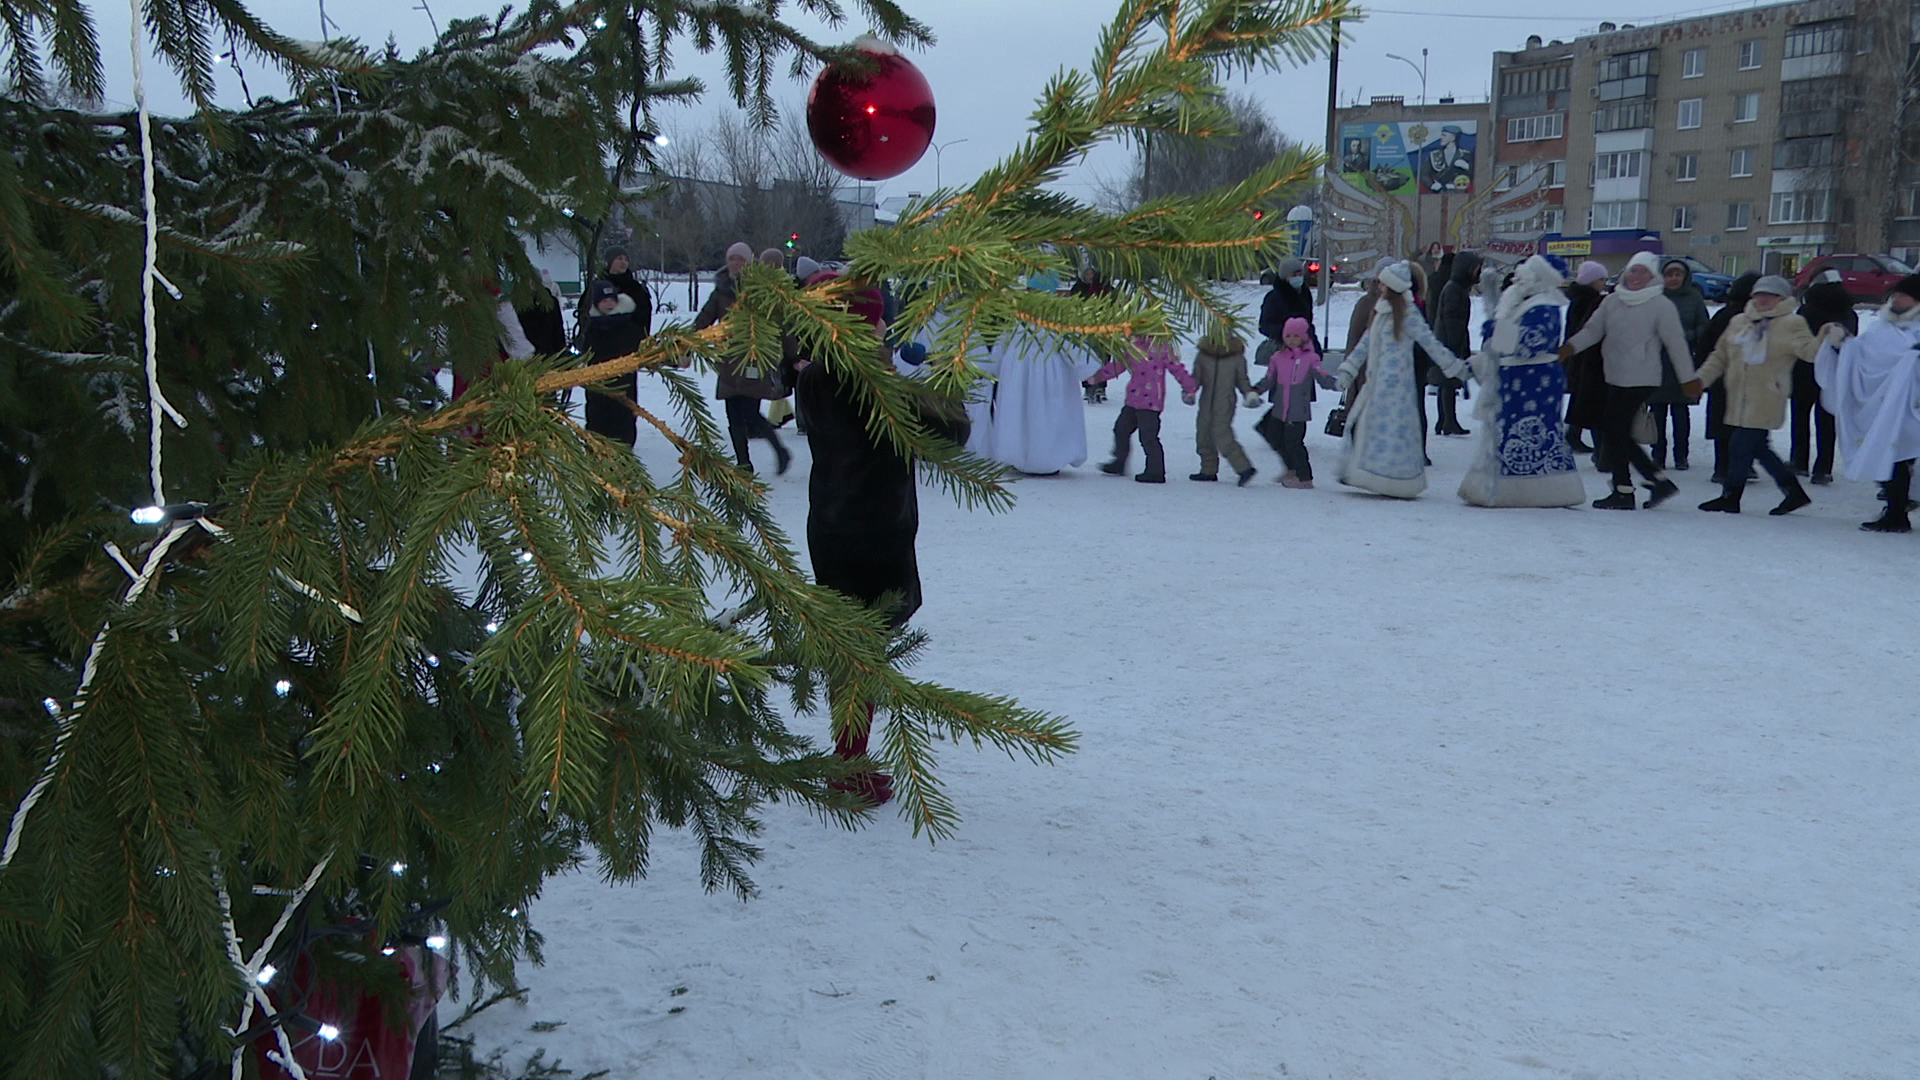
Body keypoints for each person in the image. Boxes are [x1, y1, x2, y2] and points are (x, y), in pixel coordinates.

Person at [789, 338, 972, 804]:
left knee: (848, 647)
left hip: (829, 526)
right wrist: (944, 377)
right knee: (864, 653)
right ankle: (849, 762)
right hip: (875, 532)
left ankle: (848, 756)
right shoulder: (885, 389)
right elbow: (952, 435)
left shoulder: (812, 379)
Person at [1560, 251, 1697, 510]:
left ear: (1652, 276)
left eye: (1643, 272)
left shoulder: (1660, 305)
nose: (1636, 277)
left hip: (1643, 376)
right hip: (1614, 374)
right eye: (1633, 271)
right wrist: (1568, 349)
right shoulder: (1612, 301)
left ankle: (1627, 490)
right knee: (1615, 431)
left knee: (1613, 430)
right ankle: (1651, 482)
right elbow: (1592, 331)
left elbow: (1676, 343)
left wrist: (1688, 379)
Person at [1333, 262, 1469, 498]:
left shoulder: (1408, 313)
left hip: (1399, 387)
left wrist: (1454, 366)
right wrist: (1349, 369)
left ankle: (1396, 479)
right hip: (1376, 383)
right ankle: (1368, 474)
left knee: (1394, 432)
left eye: (1384, 282)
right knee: (1368, 427)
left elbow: (1430, 342)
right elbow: (1365, 344)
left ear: (1393, 286)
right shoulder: (1380, 311)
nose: (1379, 285)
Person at [1458, 254, 1585, 507]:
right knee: (1505, 433)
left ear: (1539, 277)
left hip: (1534, 382)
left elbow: (1533, 342)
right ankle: (1500, 485)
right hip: (1516, 381)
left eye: (1526, 271)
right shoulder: (1519, 301)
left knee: (1532, 432)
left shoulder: (1545, 306)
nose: (1519, 275)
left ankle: (1534, 488)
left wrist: (1498, 333)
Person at [1690, 275, 1818, 515]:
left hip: (1767, 396)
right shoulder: (1740, 321)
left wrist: (1825, 339)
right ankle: (1794, 493)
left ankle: (1731, 496)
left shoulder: (1792, 323)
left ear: (1782, 298)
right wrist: (1700, 380)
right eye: (1758, 294)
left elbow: (1809, 352)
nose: (1762, 299)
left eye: (1770, 295)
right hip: (1738, 396)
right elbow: (1720, 356)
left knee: (1740, 445)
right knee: (1759, 448)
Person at [1815, 273, 1920, 532]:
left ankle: (1897, 510)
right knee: (1892, 457)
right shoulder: (1881, 328)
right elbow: (1862, 355)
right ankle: (1896, 511)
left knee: (1898, 458)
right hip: (1887, 408)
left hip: (1913, 408)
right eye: (1894, 294)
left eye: (1903, 295)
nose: (1896, 298)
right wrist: (1841, 345)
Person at [699, 241, 792, 474]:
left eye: (740, 259)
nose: (735, 263)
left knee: (750, 413)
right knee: (733, 414)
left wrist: (793, 355)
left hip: (754, 356)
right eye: (732, 259)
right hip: (729, 359)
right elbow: (705, 317)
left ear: (749, 263)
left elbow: (779, 321)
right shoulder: (721, 291)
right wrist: (687, 341)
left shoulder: (759, 290)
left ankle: (779, 450)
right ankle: (743, 463)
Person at [1087, 337, 1198, 483]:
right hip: (1133, 399)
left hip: (1151, 403)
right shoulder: (1133, 346)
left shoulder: (1162, 347)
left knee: (1148, 437)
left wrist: (1189, 387)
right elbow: (1118, 365)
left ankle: (1156, 471)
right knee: (1121, 429)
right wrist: (1098, 377)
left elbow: (1177, 368)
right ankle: (1119, 462)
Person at [1253, 316, 1338, 488]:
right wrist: (1255, 390)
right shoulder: (1277, 357)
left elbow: (1322, 377)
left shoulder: (1310, 359)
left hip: (1297, 410)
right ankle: (1291, 469)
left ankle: (1304, 477)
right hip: (1279, 407)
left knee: (1294, 443)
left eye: (1296, 336)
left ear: (1304, 337)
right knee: (1269, 431)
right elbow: (1269, 379)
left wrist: (1337, 383)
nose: (1292, 340)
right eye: (1288, 335)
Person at [1791, 268, 1856, 484]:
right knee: (1826, 421)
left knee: (1800, 418)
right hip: (1833, 374)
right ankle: (1824, 468)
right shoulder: (1849, 312)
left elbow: (1796, 340)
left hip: (1804, 370)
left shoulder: (1806, 311)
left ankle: (1799, 462)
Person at [1698, 271, 1762, 483]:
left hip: (1721, 378)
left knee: (1722, 422)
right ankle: (1743, 464)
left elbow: (1705, 345)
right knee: (1745, 423)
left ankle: (1722, 466)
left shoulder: (1723, 315)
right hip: (1748, 378)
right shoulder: (1755, 318)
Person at [1648, 259, 1710, 471]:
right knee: (1656, 412)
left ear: (1685, 277)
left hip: (1683, 361)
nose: (1673, 279)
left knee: (1680, 411)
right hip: (1657, 362)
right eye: (1669, 275)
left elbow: (1704, 328)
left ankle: (1681, 456)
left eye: (1677, 275)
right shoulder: (1655, 298)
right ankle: (1657, 455)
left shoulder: (1693, 298)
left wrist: (1685, 336)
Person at [575, 280, 646, 446]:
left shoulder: (629, 326)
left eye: (612, 300)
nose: (609, 304)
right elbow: (579, 351)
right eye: (604, 300)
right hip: (597, 388)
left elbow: (645, 349)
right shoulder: (588, 328)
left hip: (624, 387)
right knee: (597, 424)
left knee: (624, 425)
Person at [1188, 326, 1259, 485]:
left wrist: (1249, 393)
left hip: (1225, 401)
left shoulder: (1236, 357)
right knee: (1203, 434)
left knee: (1221, 433)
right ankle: (1208, 470)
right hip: (1206, 401)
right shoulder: (1203, 355)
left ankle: (1244, 468)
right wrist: (1189, 390)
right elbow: (1196, 377)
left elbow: (1242, 380)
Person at [1431, 250, 1483, 436]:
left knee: (1448, 383)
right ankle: (1448, 421)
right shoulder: (1454, 290)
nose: (1479, 273)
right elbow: (1452, 320)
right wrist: (1455, 349)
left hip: (1449, 342)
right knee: (1449, 382)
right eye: (1476, 269)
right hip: (1449, 343)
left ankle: (1444, 420)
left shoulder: (1457, 288)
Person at [1562, 260, 1609, 455]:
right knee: (1590, 399)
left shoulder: (1582, 298)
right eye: (1601, 279)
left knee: (1581, 397)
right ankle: (1599, 447)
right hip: (1584, 355)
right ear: (1591, 281)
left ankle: (1574, 434)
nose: (1605, 282)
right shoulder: (1588, 301)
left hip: (1578, 355)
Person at [1071, 267, 1116, 403]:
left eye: (1092, 273)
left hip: (1104, 327)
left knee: (1103, 357)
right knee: (1087, 356)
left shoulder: (1106, 288)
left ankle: (1101, 386)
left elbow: (1115, 303)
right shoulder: (1079, 288)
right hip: (1086, 327)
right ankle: (1088, 386)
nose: (1090, 276)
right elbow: (1074, 305)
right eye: (1087, 273)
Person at [1258, 257, 1319, 354]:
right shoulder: (1274, 297)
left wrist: (1315, 348)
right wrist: (1288, 333)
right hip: (1283, 348)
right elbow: (1265, 326)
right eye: (1294, 275)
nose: (1298, 278)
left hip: (1305, 348)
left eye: (1300, 274)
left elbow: (1308, 322)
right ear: (1285, 277)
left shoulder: (1305, 294)